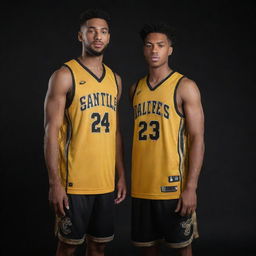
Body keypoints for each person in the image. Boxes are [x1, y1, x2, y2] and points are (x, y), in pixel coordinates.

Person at [44, 9, 126, 256]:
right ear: (80, 36)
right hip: (73, 182)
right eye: (91, 30)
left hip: (104, 183)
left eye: (103, 31)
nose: (97, 36)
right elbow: (50, 132)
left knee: (99, 246)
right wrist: (54, 183)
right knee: (68, 246)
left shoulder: (115, 80)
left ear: (109, 37)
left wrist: (121, 174)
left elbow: (115, 132)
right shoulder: (64, 76)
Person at [130, 23, 205, 256]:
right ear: (143, 49)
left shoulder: (185, 86)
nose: (154, 50)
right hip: (142, 187)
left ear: (169, 50)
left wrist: (191, 187)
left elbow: (197, 138)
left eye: (160, 45)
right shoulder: (135, 89)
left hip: (173, 187)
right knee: (147, 249)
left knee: (183, 249)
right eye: (149, 45)